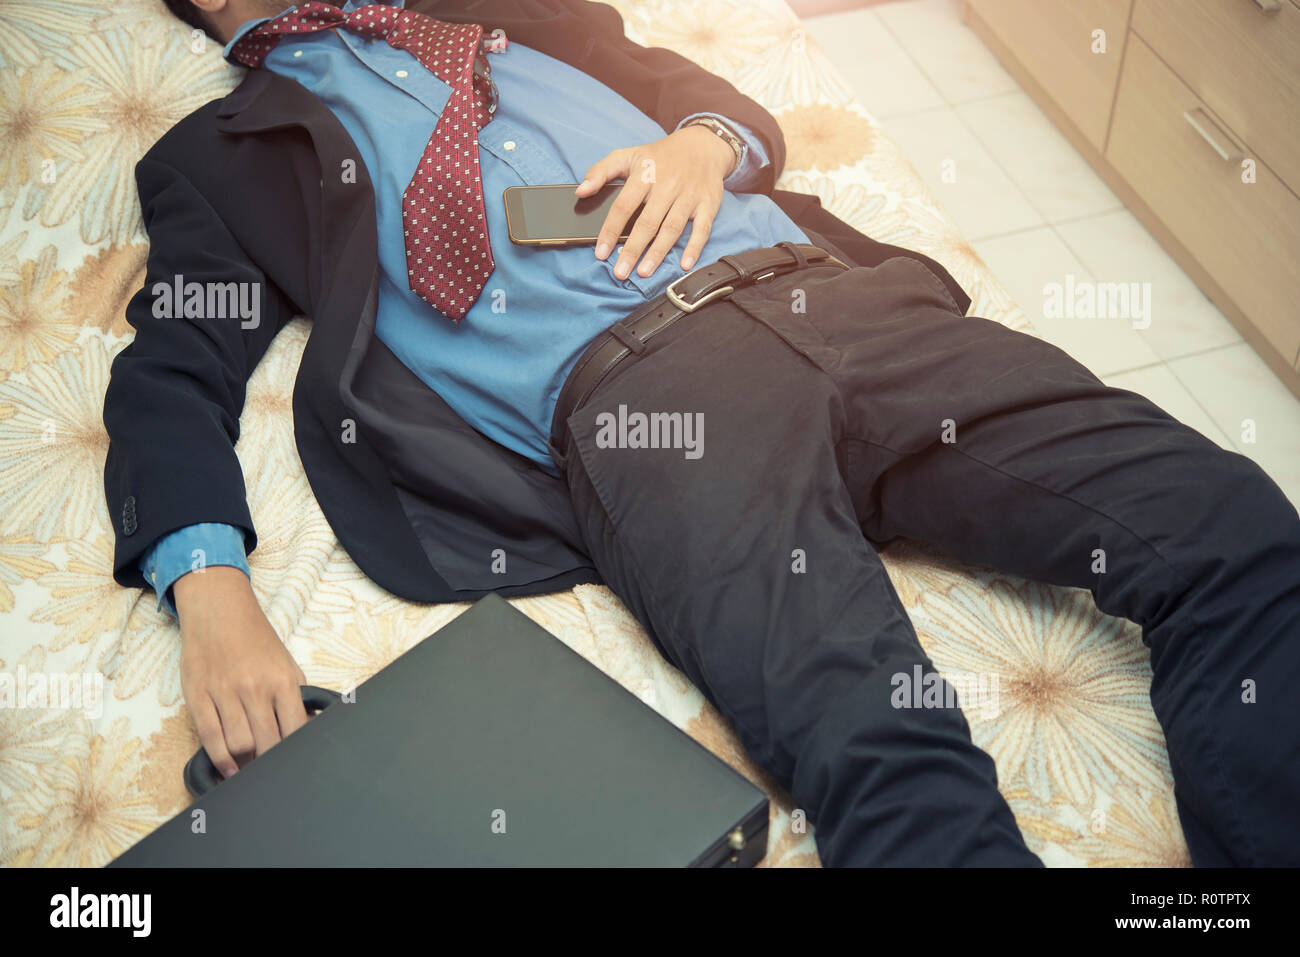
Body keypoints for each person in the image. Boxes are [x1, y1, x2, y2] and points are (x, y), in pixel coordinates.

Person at [103, 0, 1300, 866]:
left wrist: (704, 143)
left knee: (1232, 528)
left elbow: (699, 93)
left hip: (839, 300)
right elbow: (173, 367)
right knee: (873, 731)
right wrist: (209, 589)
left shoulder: (502, 10)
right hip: (647, 408)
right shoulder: (216, 156)